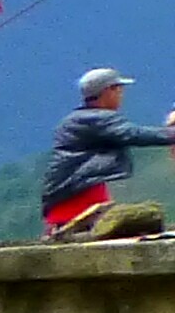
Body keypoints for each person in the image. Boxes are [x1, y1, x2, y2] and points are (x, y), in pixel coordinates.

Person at [43, 67, 175, 240]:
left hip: (78, 186)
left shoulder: (77, 119)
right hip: (78, 191)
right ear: (108, 91)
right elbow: (133, 134)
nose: (121, 96)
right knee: (86, 229)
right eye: (119, 90)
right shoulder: (96, 119)